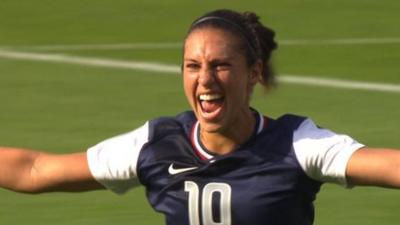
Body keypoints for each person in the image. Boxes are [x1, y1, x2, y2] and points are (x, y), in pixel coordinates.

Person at [0, 9, 400, 225]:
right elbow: (35, 170)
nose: (205, 79)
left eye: (221, 65)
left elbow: (388, 166)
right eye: (192, 66)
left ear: (254, 73)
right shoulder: (156, 145)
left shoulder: (297, 144)